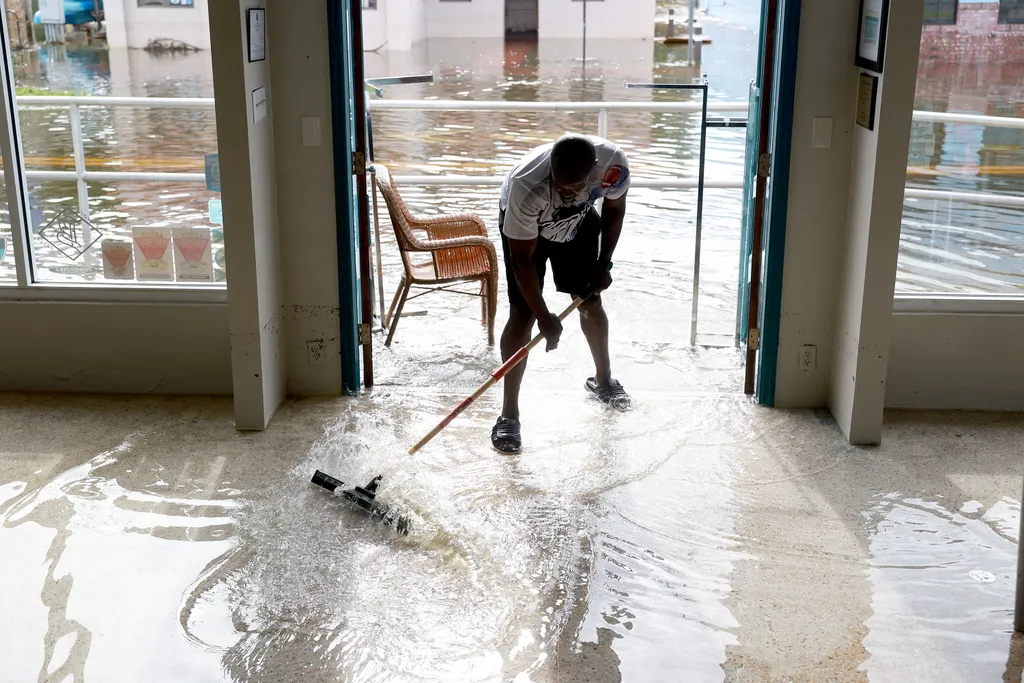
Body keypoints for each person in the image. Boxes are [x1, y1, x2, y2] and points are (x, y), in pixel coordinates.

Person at [492, 133, 632, 454]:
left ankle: (604, 381)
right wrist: (544, 316)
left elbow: (613, 211)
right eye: (560, 185)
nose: (565, 192)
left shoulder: (613, 167)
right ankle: (508, 415)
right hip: (528, 232)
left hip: (578, 221)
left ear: (594, 170)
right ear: (551, 170)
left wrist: (604, 264)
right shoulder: (526, 187)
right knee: (523, 315)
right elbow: (521, 260)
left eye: (573, 186)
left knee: (590, 302)